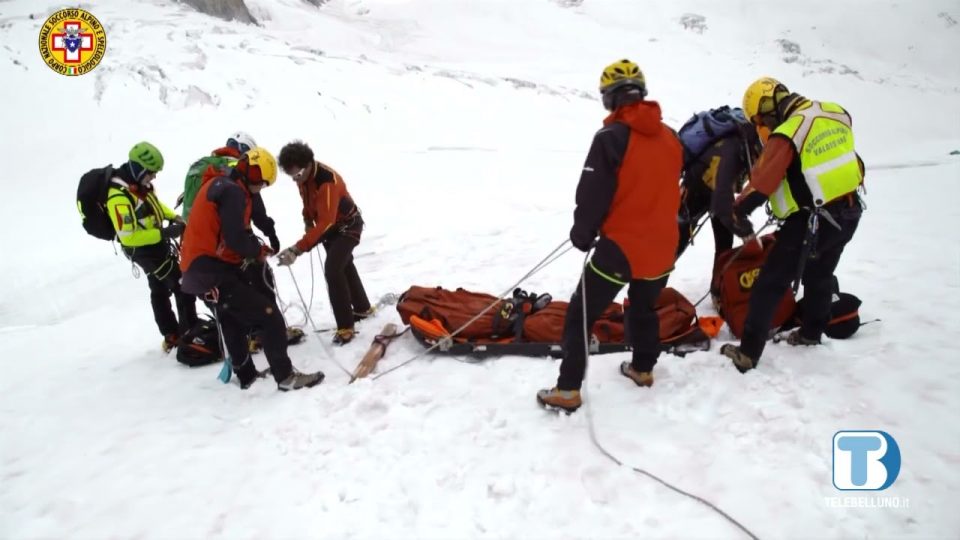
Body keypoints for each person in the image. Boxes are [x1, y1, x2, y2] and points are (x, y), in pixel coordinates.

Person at [536, 59, 683, 413]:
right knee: (643, 305)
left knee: (580, 315)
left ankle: (568, 389)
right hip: (664, 248)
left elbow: (592, 192)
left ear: (609, 98)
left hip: (621, 248)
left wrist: (583, 231)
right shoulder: (672, 138)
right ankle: (643, 369)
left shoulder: (610, 138)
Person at [720, 77, 865, 373]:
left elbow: (762, 182)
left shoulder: (789, 131)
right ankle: (812, 333)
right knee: (820, 273)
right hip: (850, 213)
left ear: (765, 110)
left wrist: (738, 211)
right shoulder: (835, 112)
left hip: (813, 221)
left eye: (759, 121)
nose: (761, 129)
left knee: (770, 283)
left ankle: (747, 353)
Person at [179, 147, 324, 391]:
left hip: (200, 269)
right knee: (268, 315)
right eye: (263, 184)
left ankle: (246, 375)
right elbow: (235, 238)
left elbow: (229, 233)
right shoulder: (233, 192)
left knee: (231, 318)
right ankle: (286, 377)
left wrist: (255, 248)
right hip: (211, 270)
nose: (261, 190)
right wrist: (256, 253)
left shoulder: (221, 183)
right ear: (255, 176)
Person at [180, 132, 303, 351]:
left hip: (201, 252)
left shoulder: (215, 171)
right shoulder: (240, 178)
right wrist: (268, 237)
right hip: (224, 249)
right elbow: (255, 211)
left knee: (231, 302)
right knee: (260, 286)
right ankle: (269, 334)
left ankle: (248, 343)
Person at [276, 141, 372, 346]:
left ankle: (346, 326)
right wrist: (306, 220)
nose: (295, 180)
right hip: (332, 228)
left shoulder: (327, 181)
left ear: (308, 164)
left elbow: (326, 222)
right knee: (344, 265)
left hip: (348, 226)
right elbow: (309, 204)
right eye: (291, 176)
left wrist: (297, 249)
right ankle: (363, 309)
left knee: (333, 269)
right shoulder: (304, 177)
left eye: (297, 175)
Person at [106, 141, 198, 352]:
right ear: (139, 169)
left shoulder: (138, 187)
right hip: (146, 251)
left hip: (155, 245)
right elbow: (128, 237)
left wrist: (172, 216)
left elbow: (154, 206)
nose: (154, 177)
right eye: (151, 173)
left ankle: (171, 334)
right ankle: (187, 332)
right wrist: (164, 233)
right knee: (181, 286)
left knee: (159, 289)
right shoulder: (118, 198)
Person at [676, 108, 762, 267]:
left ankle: (719, 287)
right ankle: (650, 288)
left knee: (724, 246)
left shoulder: (745, 144)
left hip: (717, 189)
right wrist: (747, 232)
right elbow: (722, 204)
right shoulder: (733, 149)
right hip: (696, 188)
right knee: (675, 242)